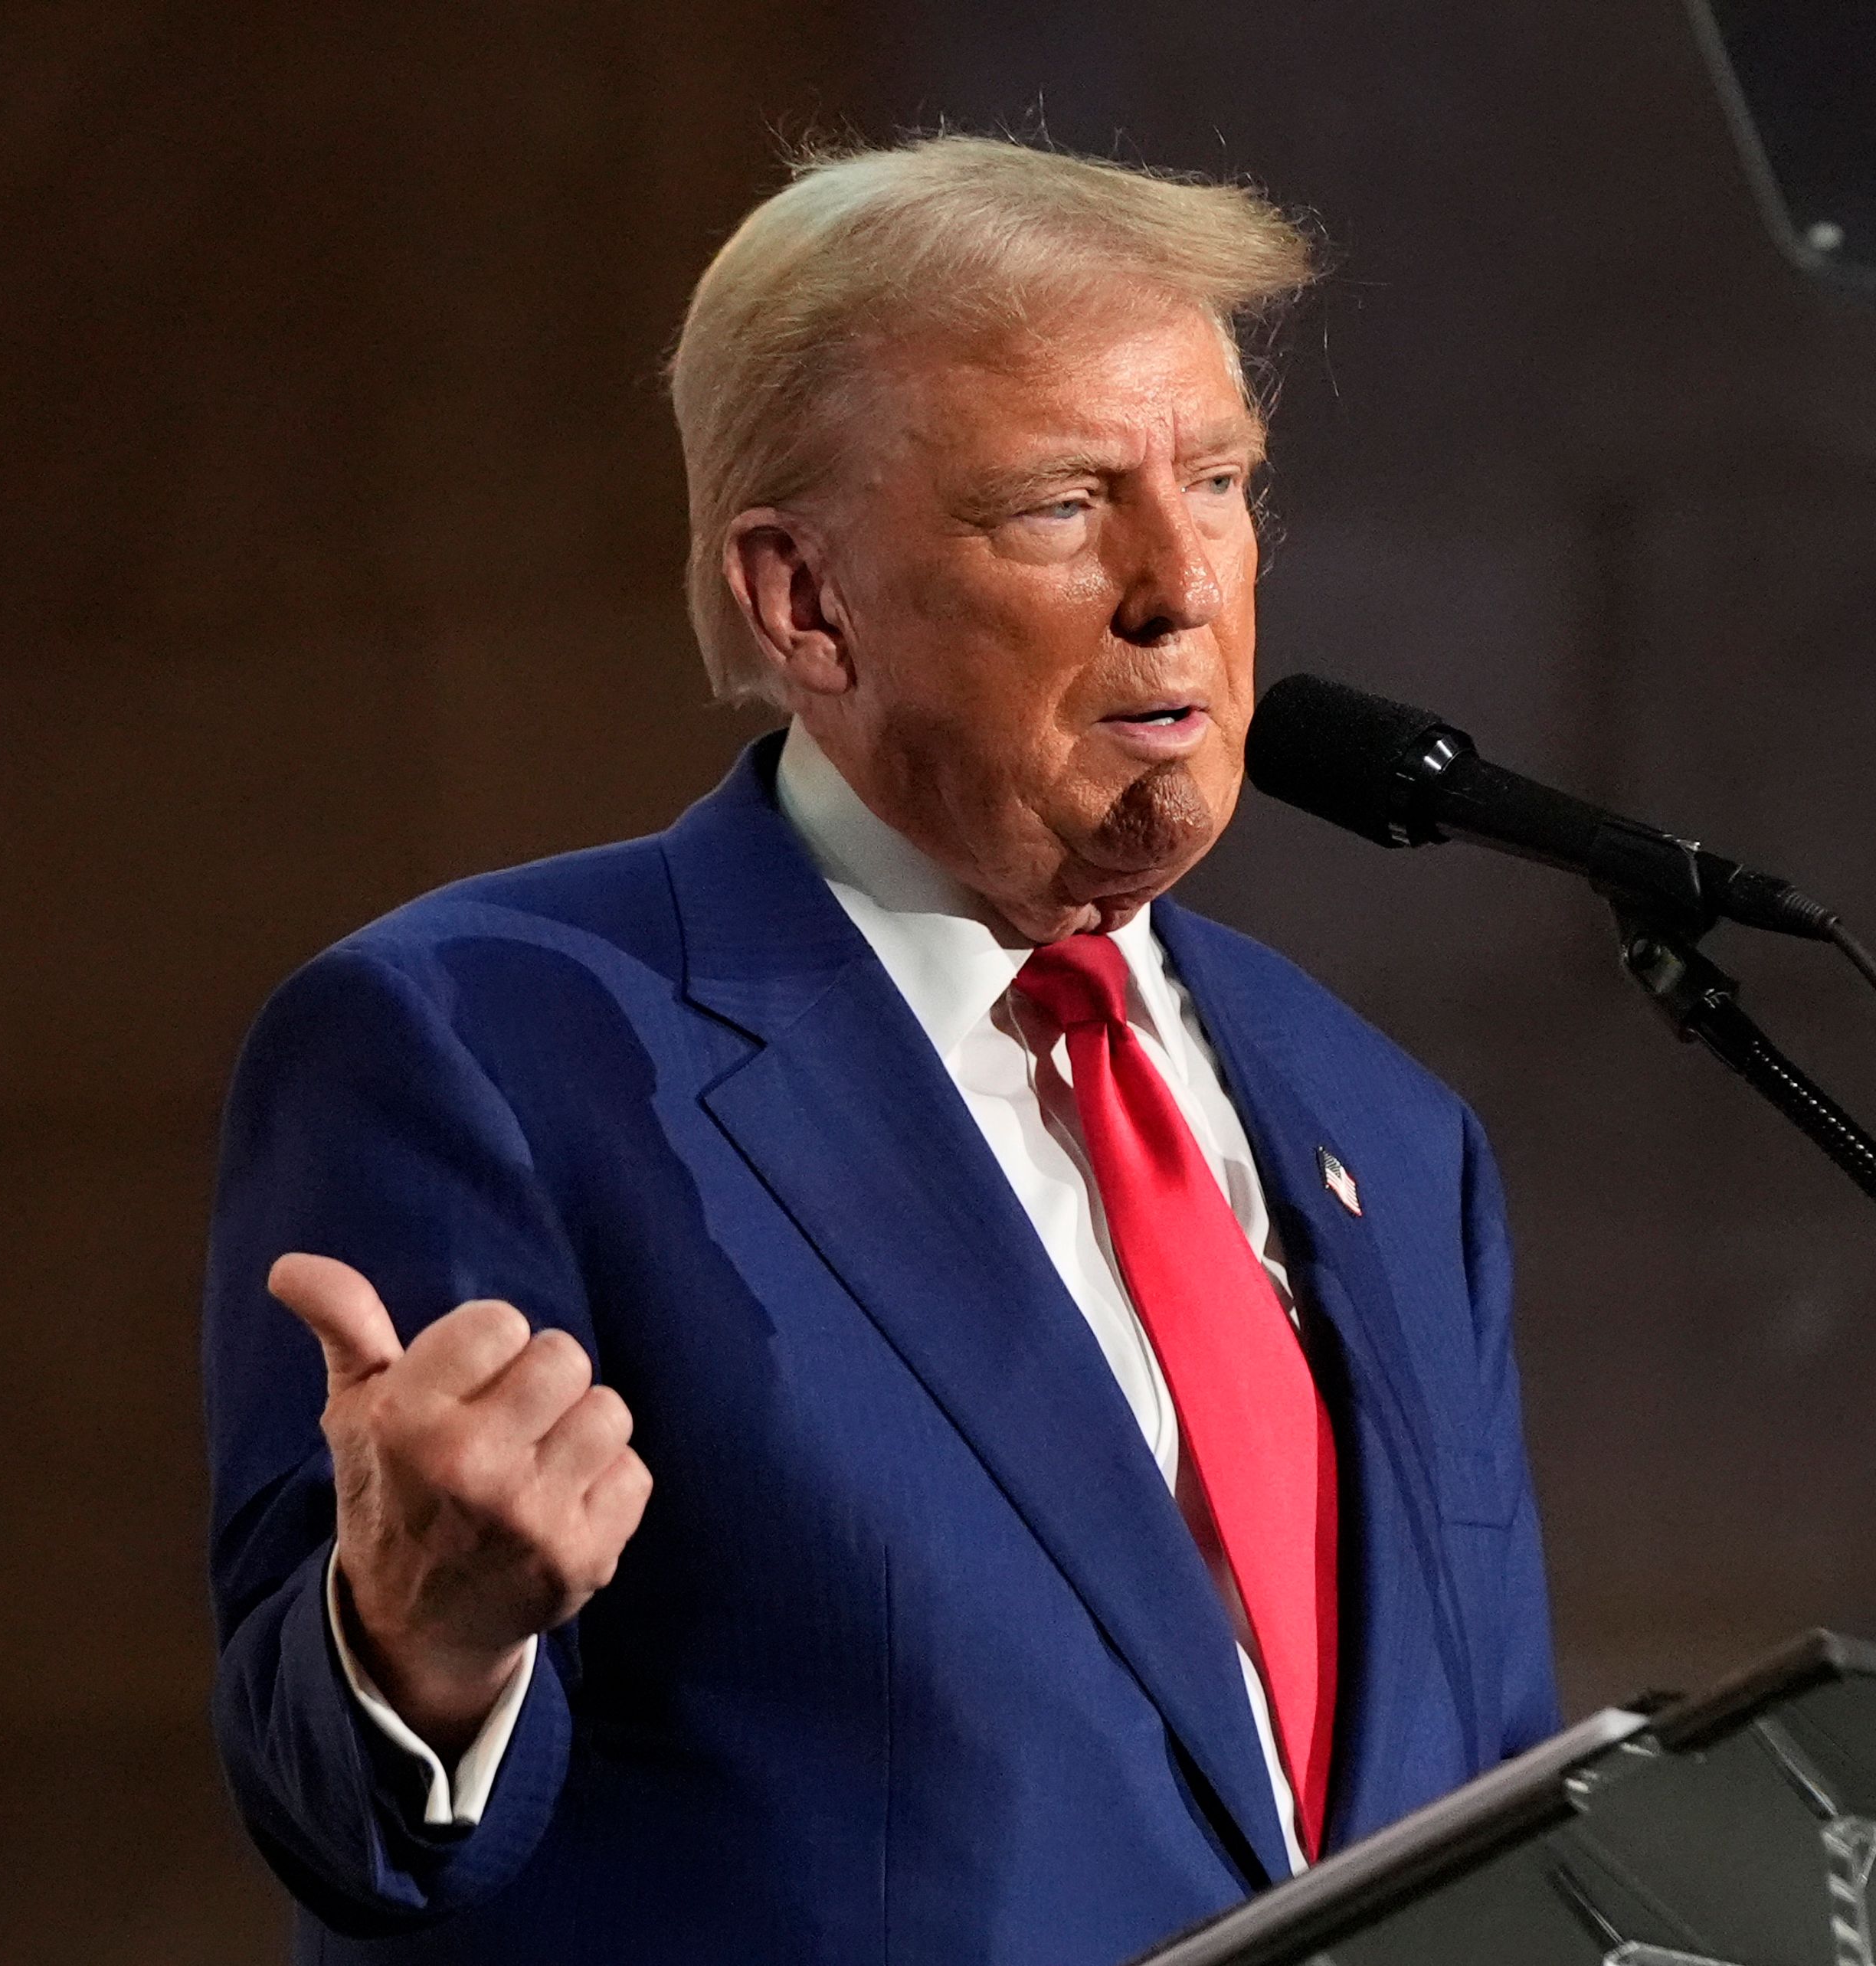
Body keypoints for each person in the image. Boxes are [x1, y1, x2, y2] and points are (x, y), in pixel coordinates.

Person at [202, 133, 1558, 1966]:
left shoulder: (1385, 1132)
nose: (1183, 584)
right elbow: (340, 1825)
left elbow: (1502, 1814)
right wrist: (420, 1645)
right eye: (1066, 507)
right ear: (804, 601)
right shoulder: (489, 1046)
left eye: (1221, 480)